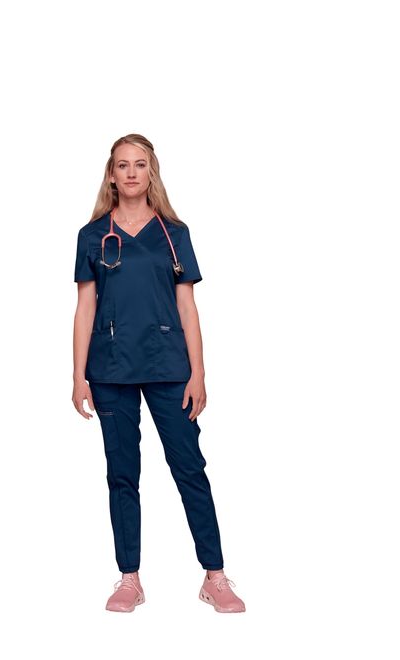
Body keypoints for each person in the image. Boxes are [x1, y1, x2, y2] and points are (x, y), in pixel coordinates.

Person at [71, 133, 245, 614]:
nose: (131, 173)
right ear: (111, 175)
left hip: (169, 366)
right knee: (122, 473)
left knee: (190, 468)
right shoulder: (92, 235)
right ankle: (129, 579)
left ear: (152, 173)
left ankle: (215, 576)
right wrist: (78, 375)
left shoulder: (174, 233)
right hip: (110, 368)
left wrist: (199, 373)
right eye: (123, 165)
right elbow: (85, 308)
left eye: (140, 164)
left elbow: (188, 307)